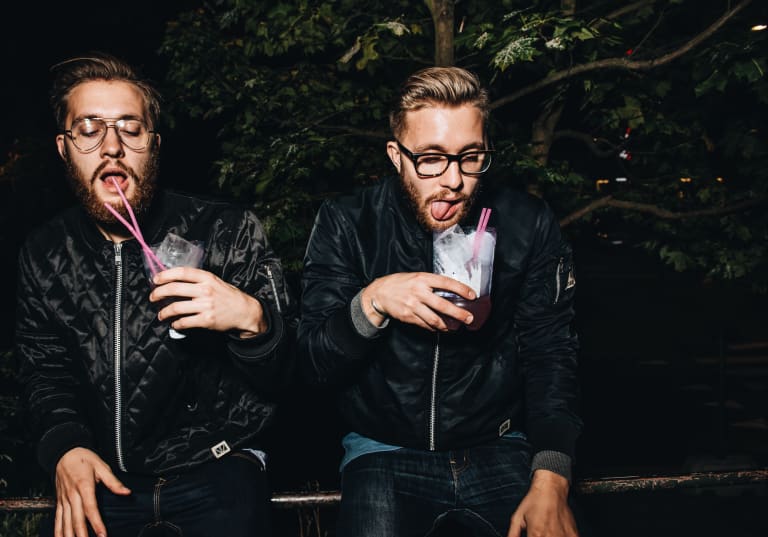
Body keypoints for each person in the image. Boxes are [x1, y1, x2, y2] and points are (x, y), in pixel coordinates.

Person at [15, 52, 295, 537]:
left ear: (154, 143)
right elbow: (45, 371)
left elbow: (294, 375)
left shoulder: (227, 228)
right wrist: (64, 445)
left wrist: (254, 322)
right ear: (64, 148)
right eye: (89, 129)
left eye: (130, 128)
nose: (112, 147)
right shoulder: (43, 251)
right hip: (104, 475)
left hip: (218, 469)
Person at [297, 66, 582, 537]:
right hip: (381, 447)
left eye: (470, 157)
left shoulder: (526, 222)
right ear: (396, 155)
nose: (453, 180)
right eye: (430, 158)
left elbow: (551, 354)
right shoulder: (348, 221)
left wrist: (552, 472)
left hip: (499, 442)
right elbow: (312, 364)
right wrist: (372, 302)